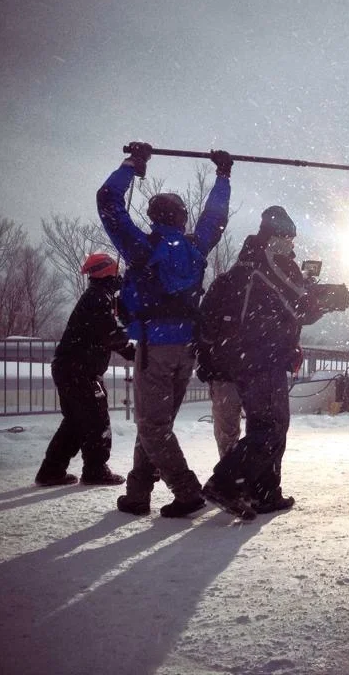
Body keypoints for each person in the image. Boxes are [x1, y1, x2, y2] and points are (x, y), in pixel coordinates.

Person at [97, 141, 232, 517]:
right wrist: (223, 175)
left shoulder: (142, 246)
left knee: (153, 426)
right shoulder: (195, 248)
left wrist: (132, 164)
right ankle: (138, 493)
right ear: (182, 218)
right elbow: (215, 218)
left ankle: (186, 492)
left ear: (155, 216)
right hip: (186, 348)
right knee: (157, 423)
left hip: (154, 348)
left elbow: (108, 200)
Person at [201, 206, 349, 519]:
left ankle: (264, 493)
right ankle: (225, 482)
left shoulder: (245, 264)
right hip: (261, 356)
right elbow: (299, 304)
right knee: (271, 426)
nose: (292, 246)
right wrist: (329, 298)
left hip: (246, 357)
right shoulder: (269, 261)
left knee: (264, 424)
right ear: (277, 235)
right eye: (289, 238)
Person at [34, 254, 136, 487]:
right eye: (116, 273)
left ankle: (51, 470)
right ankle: (95, 469)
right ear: (109, 273)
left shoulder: (99, 296)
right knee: (97, 421)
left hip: (69, 368)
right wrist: (132, 351)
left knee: (75, 421)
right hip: (80, 371)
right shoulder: (98, 299)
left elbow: (106, 332)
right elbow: (109, 334)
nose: (118, 277)